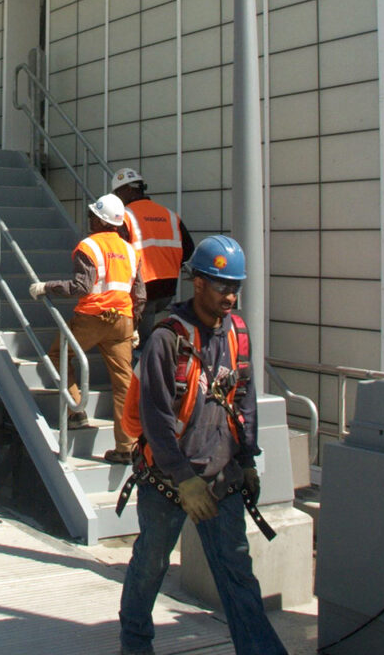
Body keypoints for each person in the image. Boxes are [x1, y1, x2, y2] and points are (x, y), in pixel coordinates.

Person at [118, 235, 287, 655]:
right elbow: (155, 419)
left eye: (235, 286)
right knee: (150, 567)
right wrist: (183, 480)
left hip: (221, 474)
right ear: (198, 283)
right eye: (222, 286)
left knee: (237, 573)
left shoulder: (237, 334)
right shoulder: (166, 339)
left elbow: (244, 400)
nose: (231, 295)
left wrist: (248, 460)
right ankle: (135, 646)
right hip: (168, 479)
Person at [30, 193, 146, 464]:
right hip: (123, 322)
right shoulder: (131, 251)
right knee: (124, 384)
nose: (90, 218)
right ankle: (126, 448)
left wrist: (46, 287)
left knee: (59, 355)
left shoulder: (89, 247)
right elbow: (139, 295)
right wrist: (135, 326)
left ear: (100, 220)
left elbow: (82, 286)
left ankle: (76, 409)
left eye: (93, 215)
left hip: (92, 319)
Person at [111, 168, 194, 347]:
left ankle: (140, 371)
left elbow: (118, 253)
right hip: (168, 288)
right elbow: (189, 248)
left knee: (139, 343)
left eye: (118, 193)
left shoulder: (124, 217)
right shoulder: (170, 215)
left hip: (142, 291)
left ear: (127, 190)